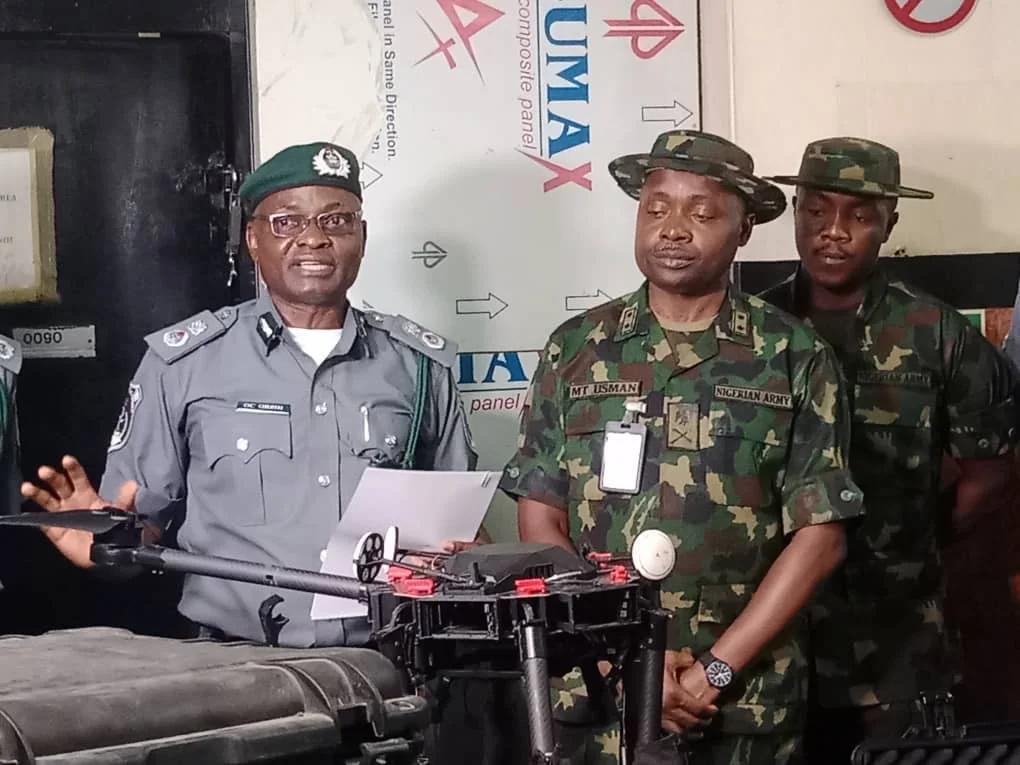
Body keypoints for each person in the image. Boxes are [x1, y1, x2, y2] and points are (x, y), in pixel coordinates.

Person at [19, 141, 482, 648]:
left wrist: (462, 550)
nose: (313, 240)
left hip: (397, 659)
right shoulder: (184, 363)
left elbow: (458, 534)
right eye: (286, 222)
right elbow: (138, 535)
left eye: (336, 221)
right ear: (253, 240)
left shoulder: (419, 366)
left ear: (362, 237)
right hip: (238, 670)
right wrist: (106, 546)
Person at [500, 129, 865, 765]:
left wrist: (713, 673)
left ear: (743, 228)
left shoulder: (795, 357)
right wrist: (616, 660)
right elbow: (541, 522)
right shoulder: (575, 349)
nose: (673, 228)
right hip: (597, 689)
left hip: (741, 700)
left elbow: (822, 535)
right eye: (657, 207)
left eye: (702, 213)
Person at [759, 137, 1020, 763]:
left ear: (889, 224)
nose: (833, 232)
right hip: (774, 638)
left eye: (859, 215)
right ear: (794, 214)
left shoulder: (937, 334)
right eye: (815, 211)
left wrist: (913, 540)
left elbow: (989, 473)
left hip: (896, 639)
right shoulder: (756, 332)